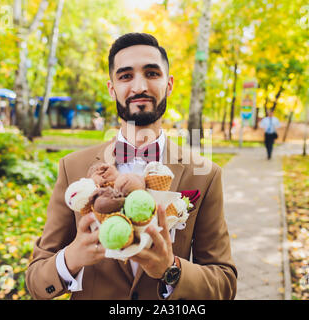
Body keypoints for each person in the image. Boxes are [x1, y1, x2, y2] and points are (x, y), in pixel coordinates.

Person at [25, 33, 237, 300]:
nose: (139, 87)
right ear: (112, 88)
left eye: (151, 73)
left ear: (169, 84)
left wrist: (170, 269)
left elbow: (225, 284)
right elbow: (35, 281)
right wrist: (71, 257)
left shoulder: (204, 175)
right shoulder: (72, 167)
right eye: (125, 76)